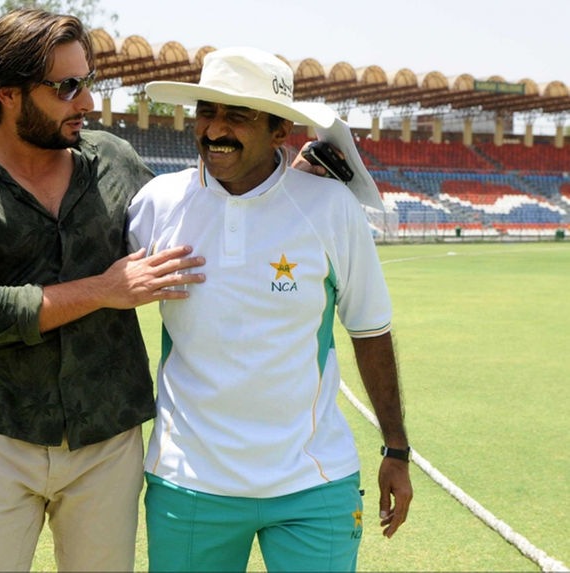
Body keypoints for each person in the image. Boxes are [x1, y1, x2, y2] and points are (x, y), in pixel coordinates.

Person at [0, 9, 206, 572]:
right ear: (8, 94)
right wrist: (102, 289)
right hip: (0, 438)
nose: (87, 103)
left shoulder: (116, 161)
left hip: (108, 439)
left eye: (87, 82)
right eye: (66, 87)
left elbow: (200, 224)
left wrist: (287, 176)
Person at [127, 47, 413, 572]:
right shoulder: (156, 203)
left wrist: (396, 449)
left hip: (313, 481)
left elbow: (370, 328)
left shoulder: (330, 207)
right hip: (189, 481)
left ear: (281, 131)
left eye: (238, 115)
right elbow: (95, 283)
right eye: (208, 112)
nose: (215, 130)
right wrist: (0, 320)